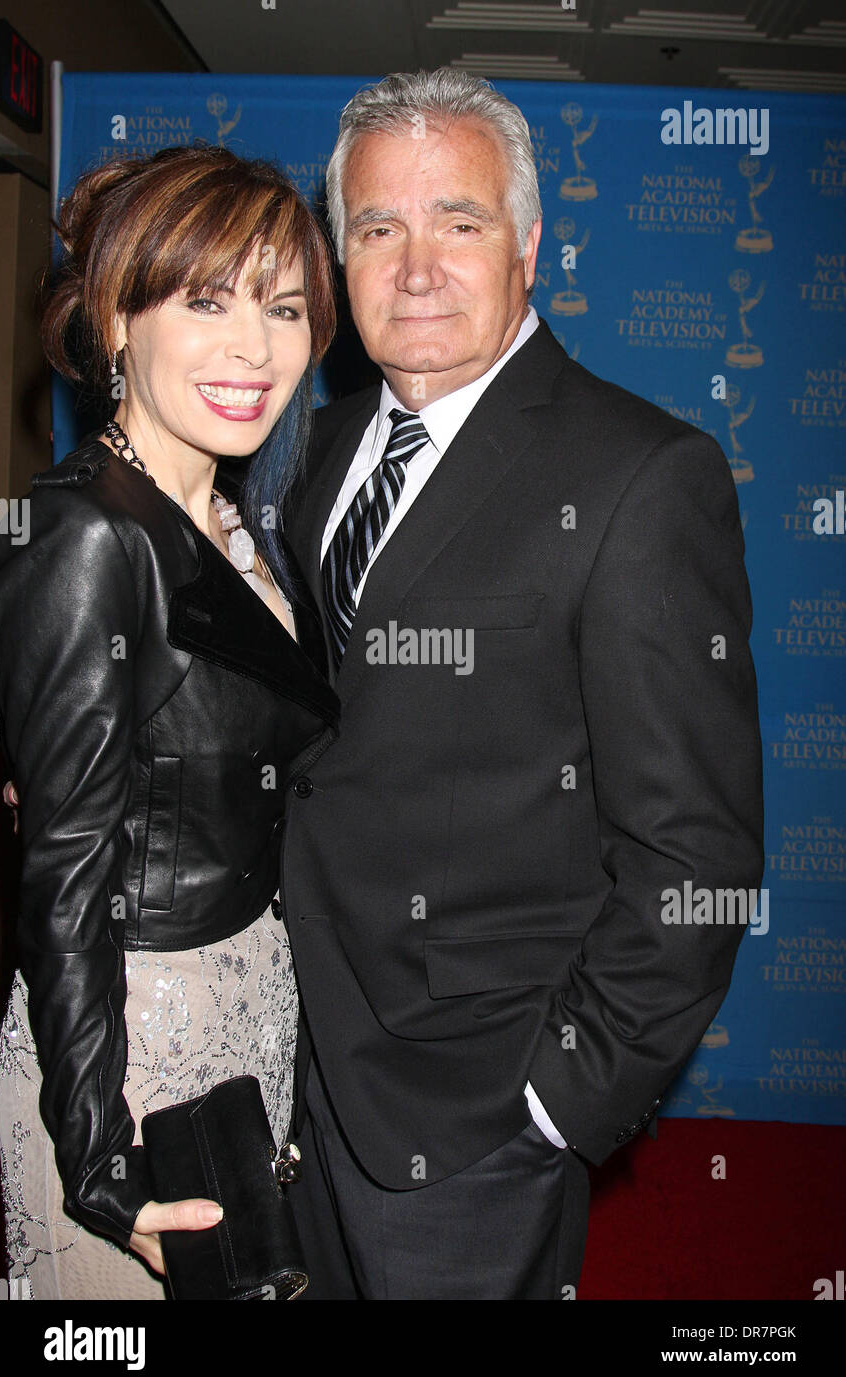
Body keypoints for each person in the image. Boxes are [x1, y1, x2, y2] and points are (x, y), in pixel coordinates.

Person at [281, 70, 764, 1300]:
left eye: (461, 220)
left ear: (530, 246)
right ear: (342, 256)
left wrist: (557, 1101)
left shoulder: (641, 475)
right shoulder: (319, 445)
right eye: (380, 227)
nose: (417, 265)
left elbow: (698, 857)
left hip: (476, 1114)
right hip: (295, 1066)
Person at [0, 145, 338, 1299]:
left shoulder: (236, 518)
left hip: (246, 996)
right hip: (133, 1043)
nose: (257, 346)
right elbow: (64, 872)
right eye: (207, 300)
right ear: (117, 316)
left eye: (285, 306)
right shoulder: (92, 535)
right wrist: (98, 1157)